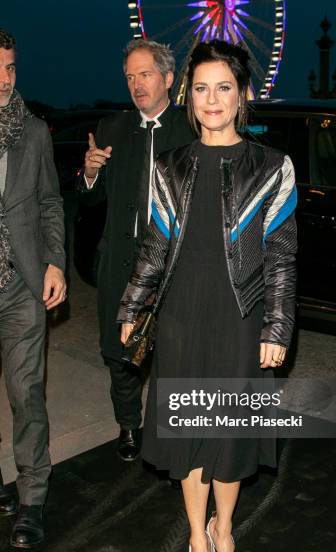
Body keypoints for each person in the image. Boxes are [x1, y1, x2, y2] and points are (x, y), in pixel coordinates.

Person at [119, 40, 297, 552]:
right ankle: (198, 535)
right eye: (201, 88)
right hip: (181, 317)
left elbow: (282, 256)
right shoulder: (170, 166)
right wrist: (133, 306)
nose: (212, 99)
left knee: (231, 437)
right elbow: (154, 245)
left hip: (241, 320)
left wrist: (277, 326)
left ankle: (225, 524)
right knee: (190, 434)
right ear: (188, 97)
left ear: (243, 94)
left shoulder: (273, 167)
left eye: (223, 87)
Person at [77, 40, 194, 462]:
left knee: (170, 354)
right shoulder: (111, 129)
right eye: (129, 76)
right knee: (120, 353)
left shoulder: (191, 131)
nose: (136, 84)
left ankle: (169, 430)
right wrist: (89, 174)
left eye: (145, 74)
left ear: (167, 78)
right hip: (121, 264)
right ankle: (128, 425)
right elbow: (89, 201)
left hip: (173, 267)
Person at [0, 29, 66, 548]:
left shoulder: (36, 131)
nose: (5, 78)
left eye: (12, 68)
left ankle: (32, 498)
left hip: (21, 284)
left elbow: (50, 203)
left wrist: (55, 264)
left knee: (27, 394)